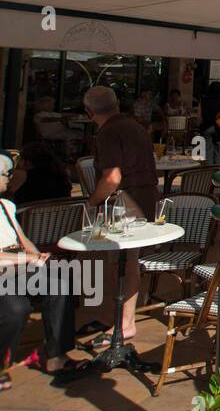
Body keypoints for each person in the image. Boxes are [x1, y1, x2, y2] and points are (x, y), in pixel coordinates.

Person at [81, 85, 158, 347]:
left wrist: (93, 201)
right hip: (144, 199)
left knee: (120, 263)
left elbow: (112, 177)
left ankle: (122, 323)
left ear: (89, 112)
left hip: (125, 204)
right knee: (128, 262)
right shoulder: (135, 126)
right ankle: (121, 319)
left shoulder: (108, 132)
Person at [0, 154, 81, 387]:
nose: (10, 177)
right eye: (5, 174)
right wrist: (28, 257)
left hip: (19, 266)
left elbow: (22, 239)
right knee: (17, 308)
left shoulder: (6, 205)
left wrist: (37, 255)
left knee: (59, 284)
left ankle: (56, 356)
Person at [4, 142, 72, 205]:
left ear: (27, 162)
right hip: (59, 217)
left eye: (19, 159)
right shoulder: (62, 176)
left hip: (27, 217)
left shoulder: (21, 175)